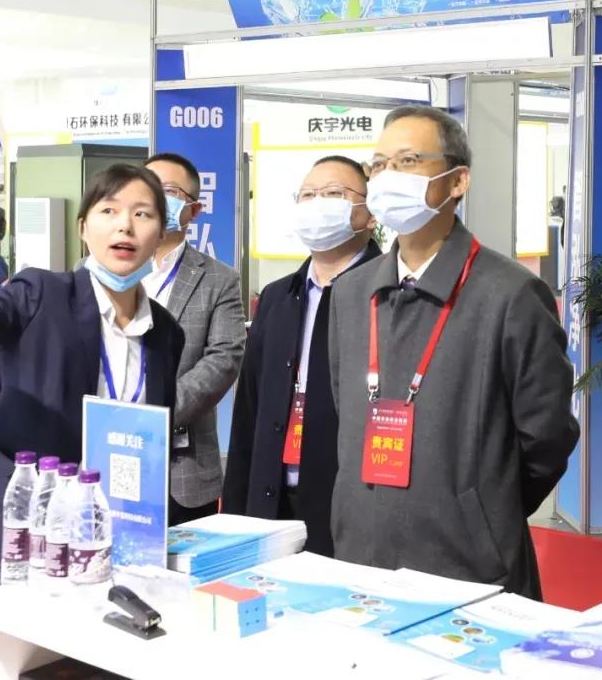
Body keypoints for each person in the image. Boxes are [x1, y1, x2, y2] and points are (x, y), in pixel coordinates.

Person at [327, 106, 579, 598]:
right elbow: (346, 409)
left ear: (458, 181)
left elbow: (547, 438)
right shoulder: (353, 293)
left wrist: (481, 507)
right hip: (361, 550)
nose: (388, 177)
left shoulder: (510, 294)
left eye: (408, 161)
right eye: (379, 165)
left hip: (468, 564)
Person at [0, 164, 184, 597]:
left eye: (143, 214)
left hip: (108, 527)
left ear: (160, 233)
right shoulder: (41, 293)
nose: (125, 226)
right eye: (109, 210)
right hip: (20, 521)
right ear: (83, 227)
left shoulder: (165, 333)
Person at [225, 155, 381, 556]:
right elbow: (249, 413)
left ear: (371, 214)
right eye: (308, 195)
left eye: (334, 194)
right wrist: (236, 517)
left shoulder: (389, 296)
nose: (317, 204)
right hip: (271, 502)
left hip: (352, 508)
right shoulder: (277, 296)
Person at [141, 153, 246, 526]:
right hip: (107, 457)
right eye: (146, 188)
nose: (154, 198)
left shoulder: (219, 279)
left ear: (194, 209)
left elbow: (224, 359)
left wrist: (155, 411)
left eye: (168, 191)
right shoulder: (98, 271)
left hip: (182, 468)